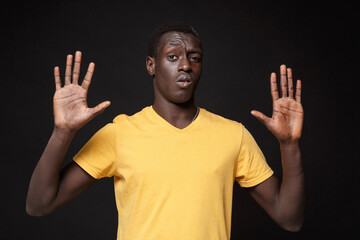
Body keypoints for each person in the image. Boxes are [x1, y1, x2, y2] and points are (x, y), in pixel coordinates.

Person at [26, 23, 305, 239]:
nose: (185, 64)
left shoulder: (234, 135)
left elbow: (290, 219)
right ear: (151, 65)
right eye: (173, 56)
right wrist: (62, 132)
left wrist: (289, 146)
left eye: (194, 57)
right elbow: (39, 205)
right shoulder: (120, 133)